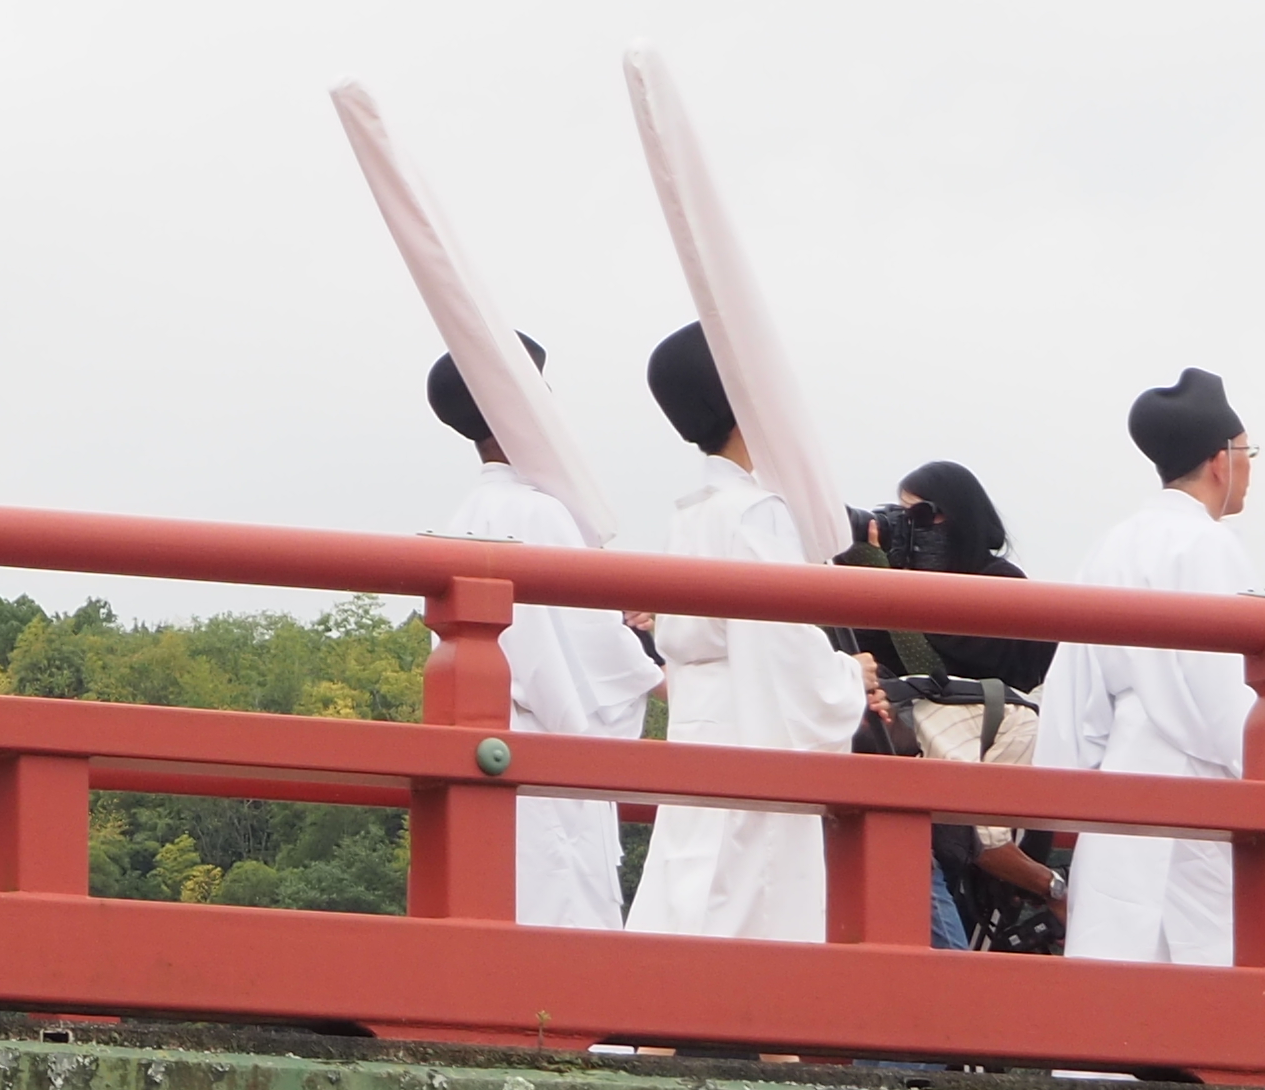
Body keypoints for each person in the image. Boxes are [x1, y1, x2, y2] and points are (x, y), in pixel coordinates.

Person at [625, 320, 863, 938]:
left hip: (700, 722)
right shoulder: (755, 511)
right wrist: (850, 676)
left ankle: (651, 1033)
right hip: (753, 718)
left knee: (688, 890)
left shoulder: (694, 511)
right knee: (751, 895)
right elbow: (783, 645)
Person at [425, 337, 655, 930]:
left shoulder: (465, 514)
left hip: (488, 755)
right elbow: (588, 669)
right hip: (547, 760)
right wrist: (659, 667)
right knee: (564, 920)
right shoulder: (539, 513)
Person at [1038, 370, 1259, 967]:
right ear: (1221, 461)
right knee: (1206, 971)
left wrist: (1070, 788)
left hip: (1119, 779)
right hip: (1199, 785)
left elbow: (1072, 690)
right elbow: (1226, 698)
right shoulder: (1210, 548)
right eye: (1249, 453)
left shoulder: (1111, 545)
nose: (1250, 466)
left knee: (1114, 968)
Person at [842, 460, 1064, 949]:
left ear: (958, 514)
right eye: (901, 516)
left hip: (986, 764)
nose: (912, 528)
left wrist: (884, 584)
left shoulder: (999, 582)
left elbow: (934, 669)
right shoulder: (885, 583)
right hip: (905, 769)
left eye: (922, 516)